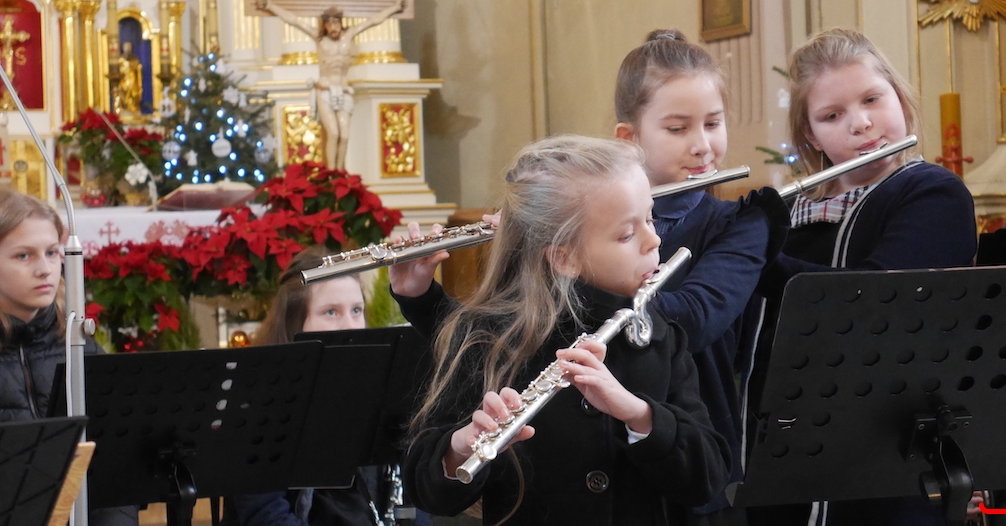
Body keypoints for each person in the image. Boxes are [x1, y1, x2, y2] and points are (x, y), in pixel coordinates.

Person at [396, 135, 732, 525]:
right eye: (626, 234)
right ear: (564, 258)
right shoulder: (486, 338)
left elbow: (709, 477)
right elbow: (425, 489)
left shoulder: (658, 337)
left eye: (650, 218)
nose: (653, 240)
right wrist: (460, 446)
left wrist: (637, 413)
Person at [745, 28, 977, 526]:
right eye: (832, 116)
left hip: (887, 461)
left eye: (873, 99)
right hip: (784, 455)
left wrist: (759, 260)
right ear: (811, 135)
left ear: (899, 98)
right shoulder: (791, 211)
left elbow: (874, 303)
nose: (862, 123)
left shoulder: (932, 193)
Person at [612, 29, 790, 525]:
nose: (703, 146)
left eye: (713, 123)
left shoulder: (742, 225)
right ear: (629, 139)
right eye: (677, 129)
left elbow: (696, 318)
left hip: (698, 457)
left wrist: (582, 288)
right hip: (605, 463)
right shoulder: (591, 225)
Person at [0, 187, 138, 526]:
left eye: (52, 253)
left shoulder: (78, 343)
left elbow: (116, 466)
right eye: (23, 256)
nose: (45, 269)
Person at [224, 245, 377, 526]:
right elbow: (266, 516)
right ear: (296, 324)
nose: (351, 326)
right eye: (331, 312)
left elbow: (407, 504)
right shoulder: (256, 404)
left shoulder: (376, 391)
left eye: (357, 310)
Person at [255, 0, 408, 171]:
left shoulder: (349, 35)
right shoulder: (319, 38)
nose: (333, 27)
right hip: (325, 90)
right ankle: (331, 171)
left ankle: (339, 172)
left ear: (341, 23)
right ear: (325, 25)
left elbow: (373, 21)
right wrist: (270, 5)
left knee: (345, 135)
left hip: (343, 91)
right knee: (333, 133)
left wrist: (394, 8)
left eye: (336, 23)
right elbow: (294, 21)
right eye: (329, 24)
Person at [115, 41, 143, 115]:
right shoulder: (121, 60)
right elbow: (119, 71)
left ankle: (133, 108)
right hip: (124, 81)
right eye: (126, 47)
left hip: (133, 81)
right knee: (123, 95)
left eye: (129, 48)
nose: (127, 49)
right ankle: (124, 108)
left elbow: (138, 72)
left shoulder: (135, 60)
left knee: (133, 94)